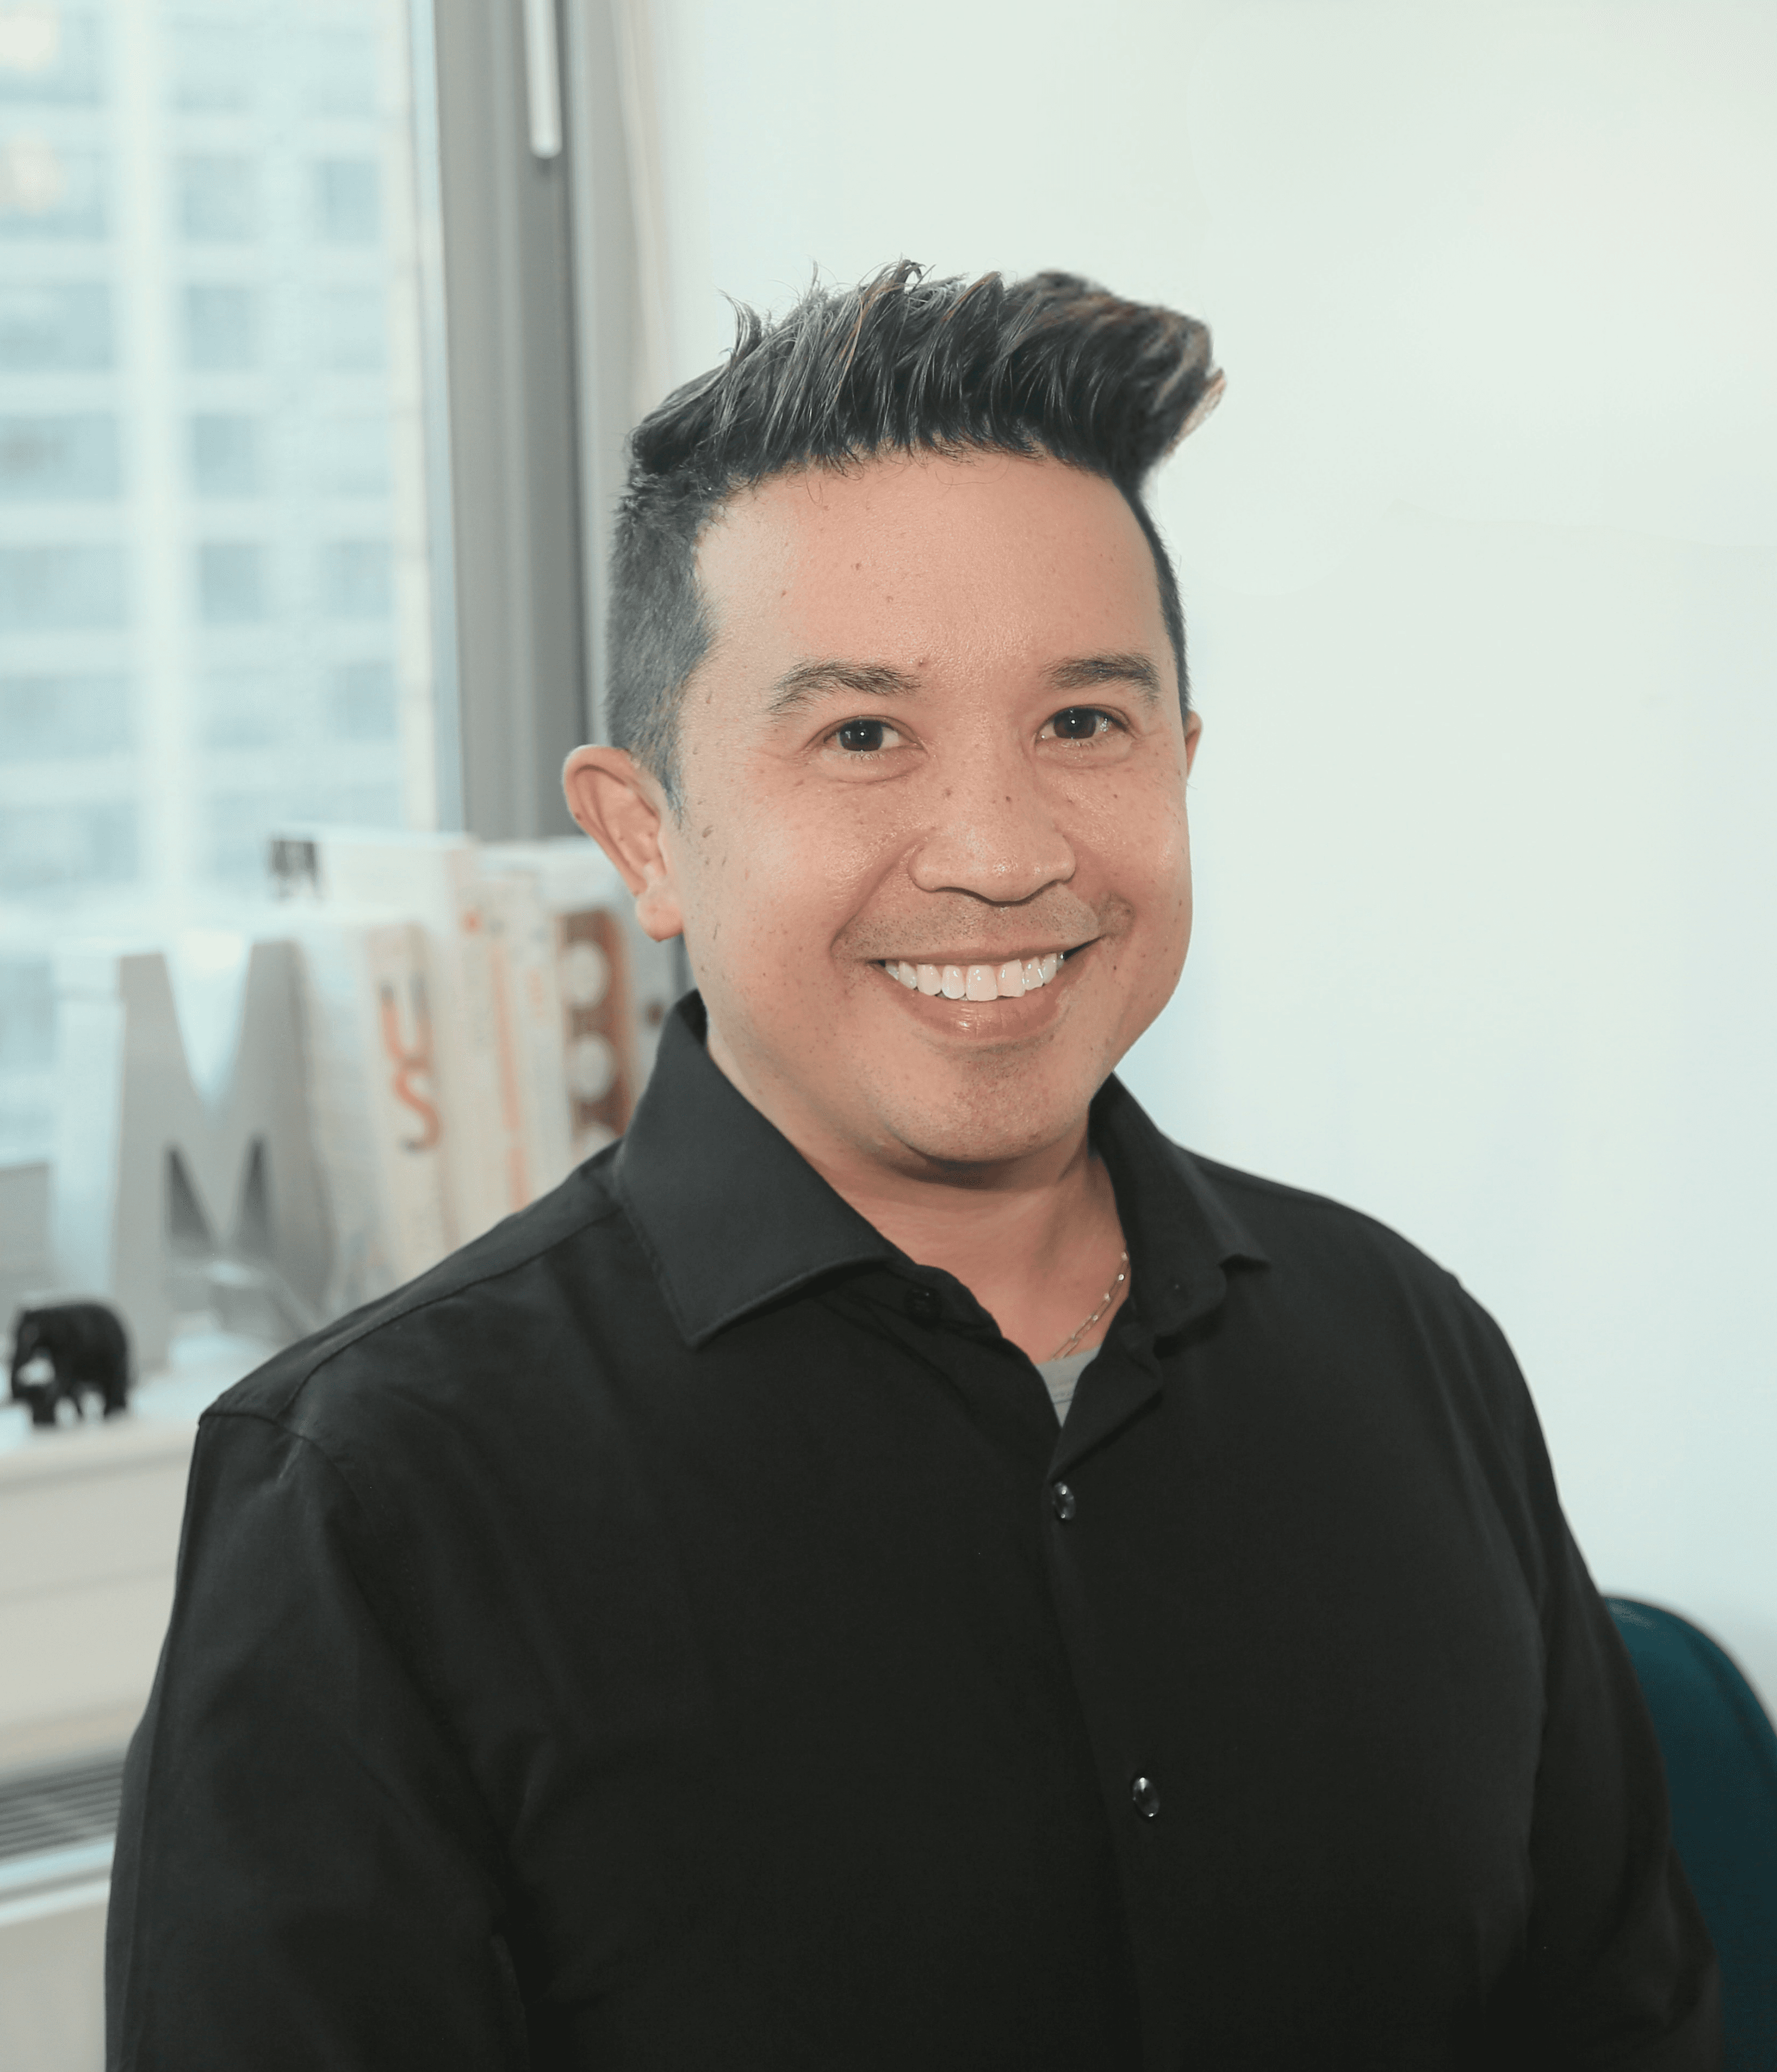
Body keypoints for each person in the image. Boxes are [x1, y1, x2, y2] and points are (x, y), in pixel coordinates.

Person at [106, 265, 1719, 2069]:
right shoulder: (371, 1491)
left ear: (1180, 765)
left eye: (1084, 724)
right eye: (863, 734)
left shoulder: (1411, 1350)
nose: (996, 849)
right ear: (648, 834)